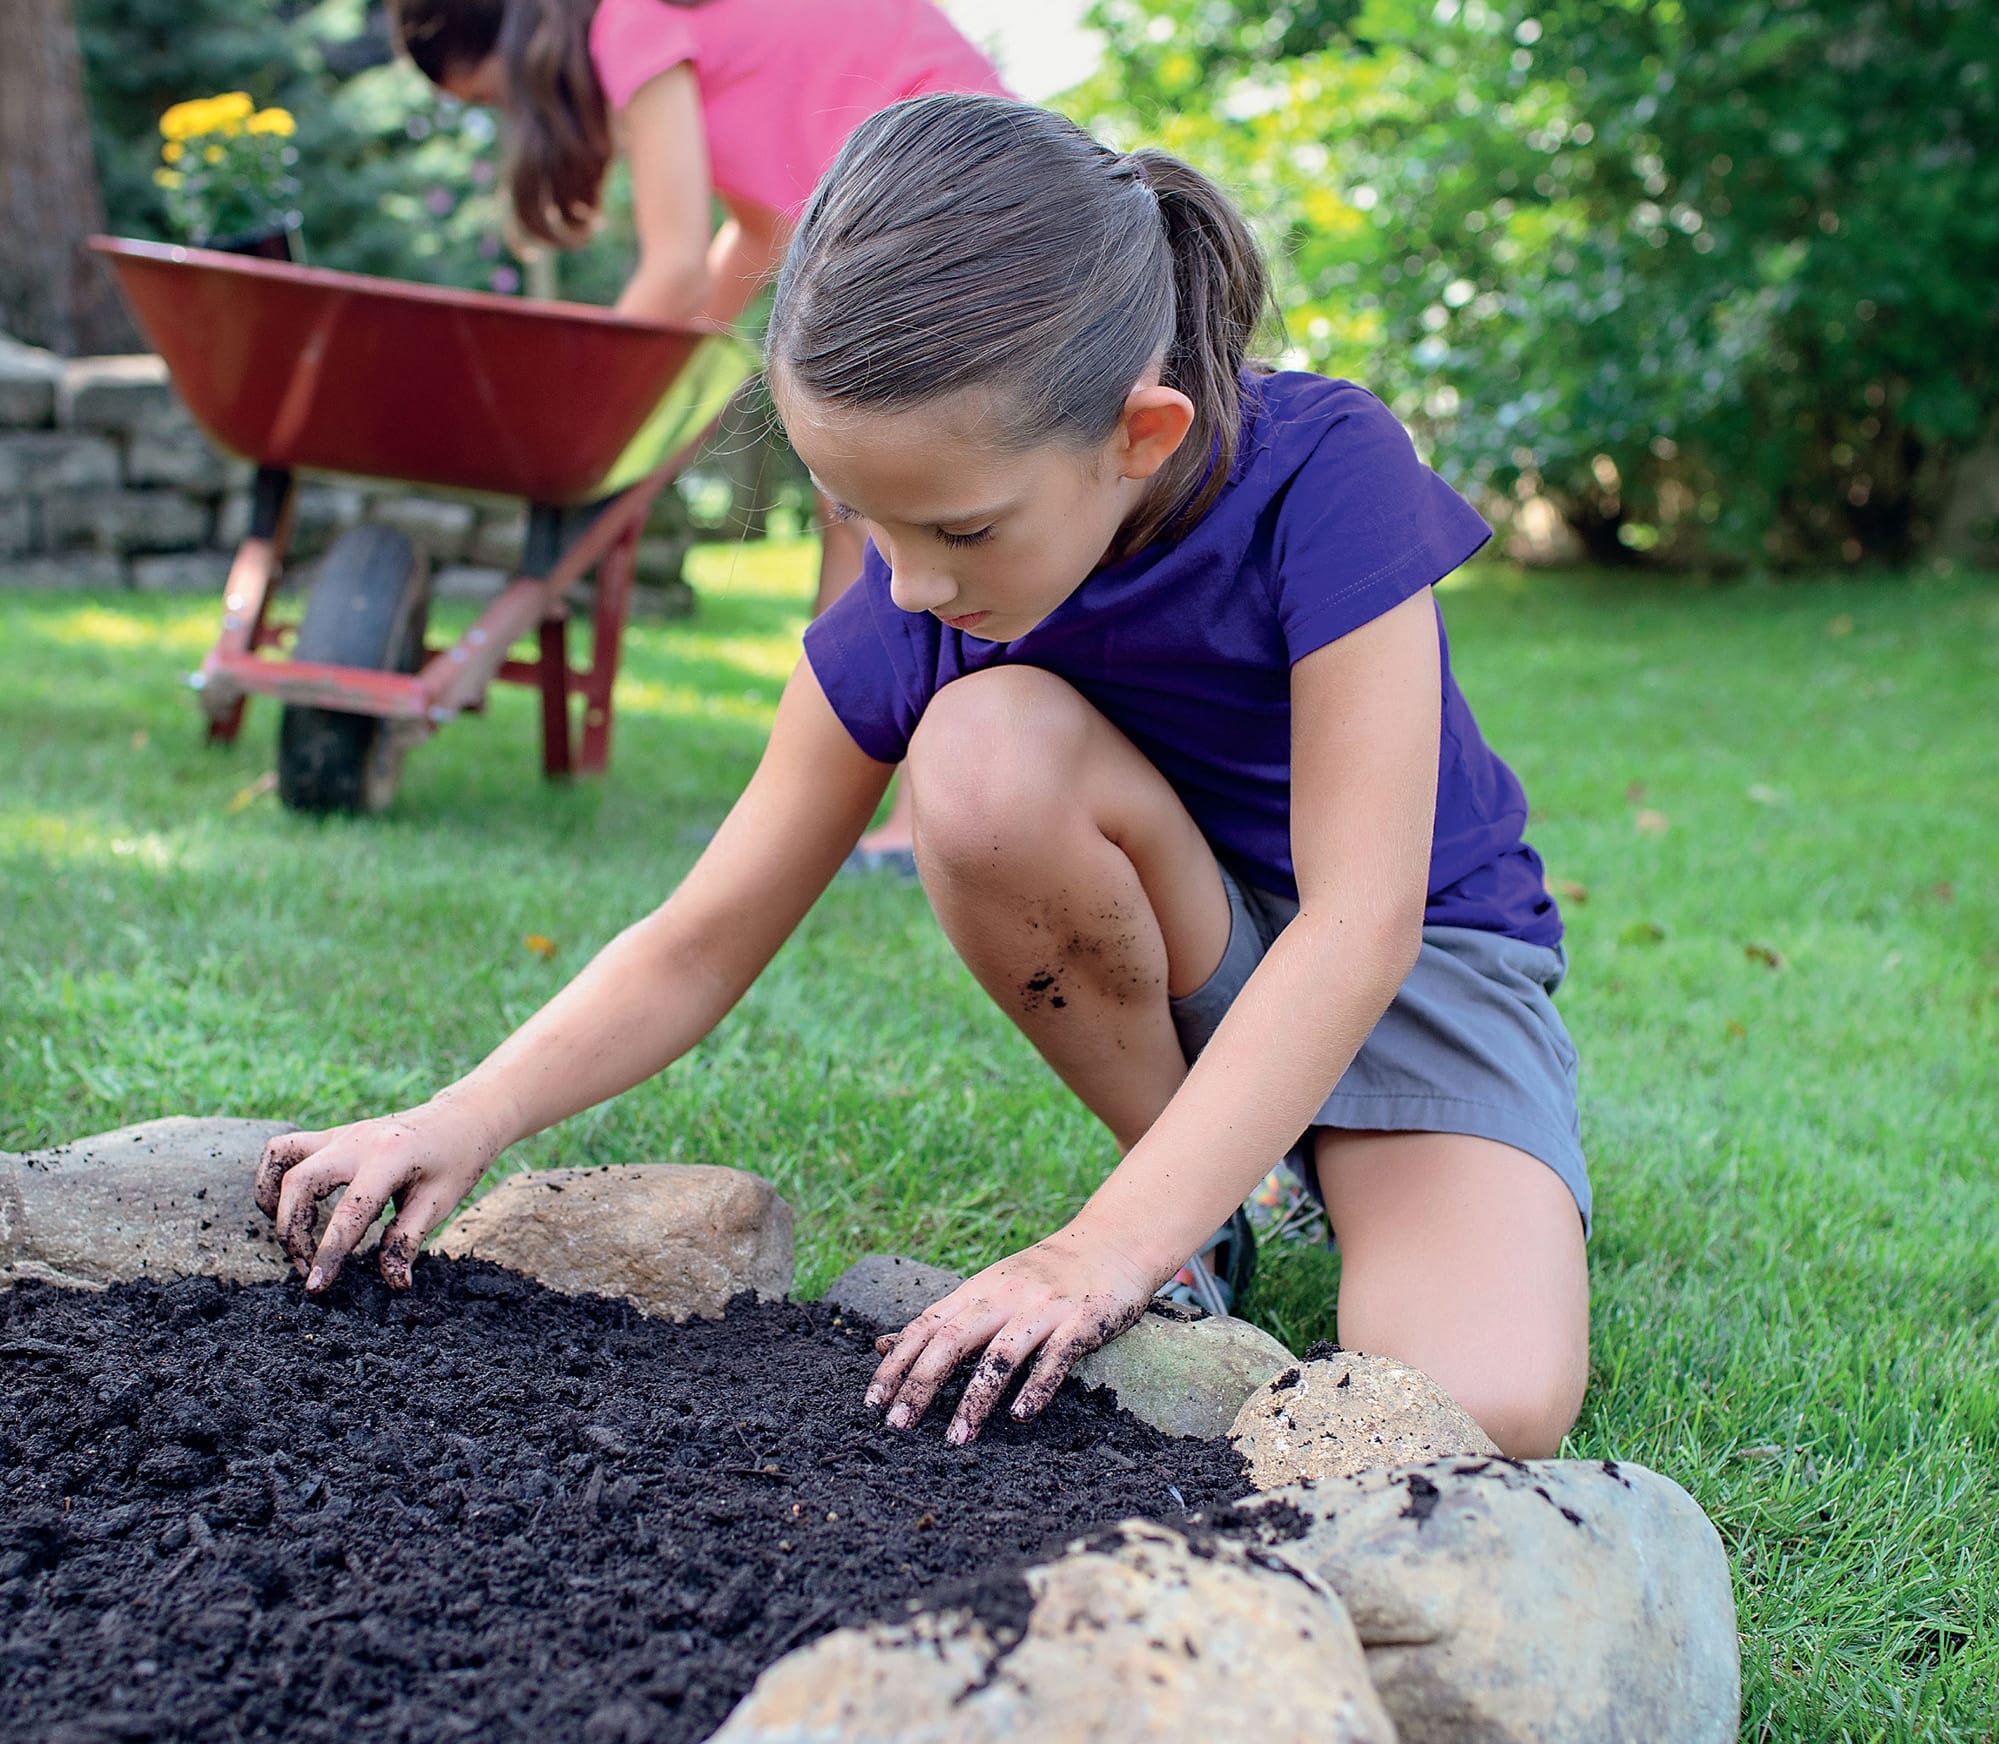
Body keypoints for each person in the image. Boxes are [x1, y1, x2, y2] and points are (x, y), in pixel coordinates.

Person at [258, 95, 1591, 1459]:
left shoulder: (1324, 471)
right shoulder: (923, 603)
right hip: (1193, 942)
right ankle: (1198, 1203)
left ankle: (1193, 1204)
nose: (911, 583)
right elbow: (697, 936)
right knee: (979, 752)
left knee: (1478, 1398)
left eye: (958, 526)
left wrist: (1089, 1254)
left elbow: (1358, 923)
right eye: (860, 521)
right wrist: (460, 1113)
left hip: (1417, 966)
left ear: (1136, 434)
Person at [389, 0, 1004, 674]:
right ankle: (847, 747)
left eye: (495, 97)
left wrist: (580, 412)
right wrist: (663, 379)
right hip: (980, 193)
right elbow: (752, 231)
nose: (511, 119)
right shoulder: (683, 28)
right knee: (859, 514)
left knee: (867, 509)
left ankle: (844, 754)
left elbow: (675, 267)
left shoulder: (630, 19)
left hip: (953, 203)